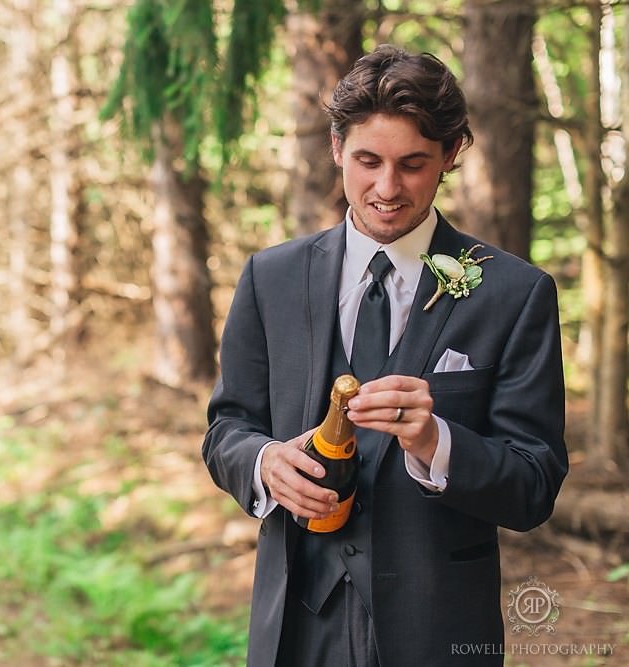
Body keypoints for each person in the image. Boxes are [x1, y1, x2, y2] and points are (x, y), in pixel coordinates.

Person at [203, 45, 567, 667]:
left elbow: (533, 486)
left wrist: (436, 443)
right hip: (296, 625)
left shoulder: (514, 292)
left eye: (413, 164)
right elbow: (226, 431)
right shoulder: (271, 278)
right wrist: (265, 464)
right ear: (338, 148)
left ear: (451, 156)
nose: (387, 188)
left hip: (438, 632)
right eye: (368, 160)